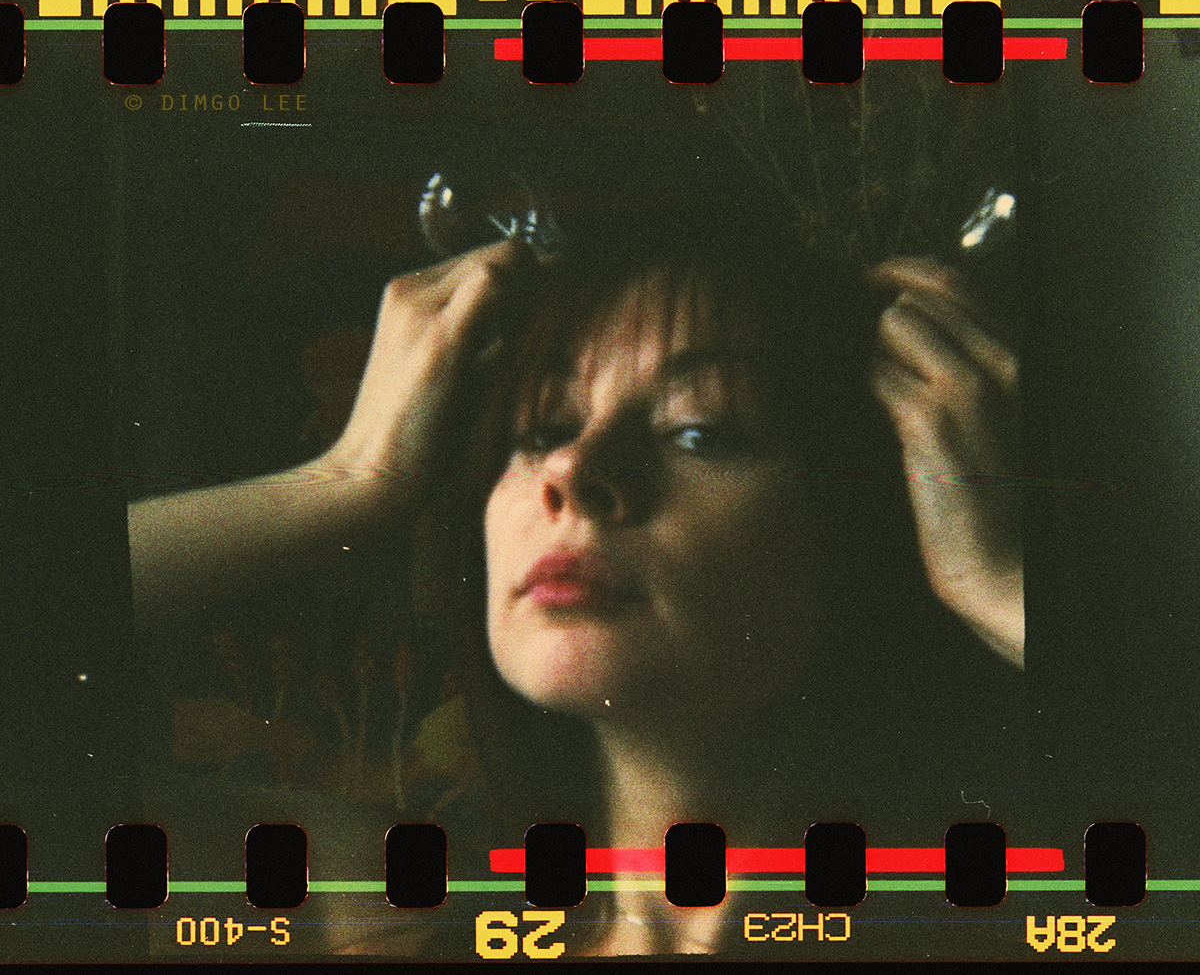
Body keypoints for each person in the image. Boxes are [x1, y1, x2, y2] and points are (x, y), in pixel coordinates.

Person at [128, 190, 1021, 956]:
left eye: (699, 430)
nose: (573, 469)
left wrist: (999, 583)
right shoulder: (381, 908)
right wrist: (350, 479)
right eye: (544, 427)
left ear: (871, 518)